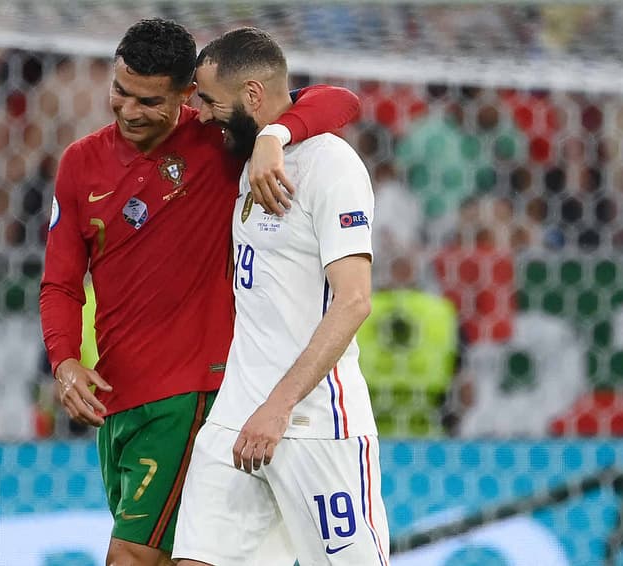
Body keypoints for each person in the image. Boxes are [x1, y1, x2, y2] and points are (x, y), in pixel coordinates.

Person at [39, 18, 361, 566]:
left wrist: (273, 136)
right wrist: (65, 360)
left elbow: (341, 102)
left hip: (191, 394)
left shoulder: (217, 140)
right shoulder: (79, 163)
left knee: (131, 557)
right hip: (118, 400)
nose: (130, 110)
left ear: (186, 94)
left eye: (150, 100)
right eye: (122, 91)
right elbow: (60, 282)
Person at [173, 27, 389, 565]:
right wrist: (271, 137)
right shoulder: (247, 156)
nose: (201, 114)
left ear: (250, 96)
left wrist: (280, 406)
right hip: (237, 417)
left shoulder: (330, 166)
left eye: (210, 101)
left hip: (316, 425)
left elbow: (354, 301)